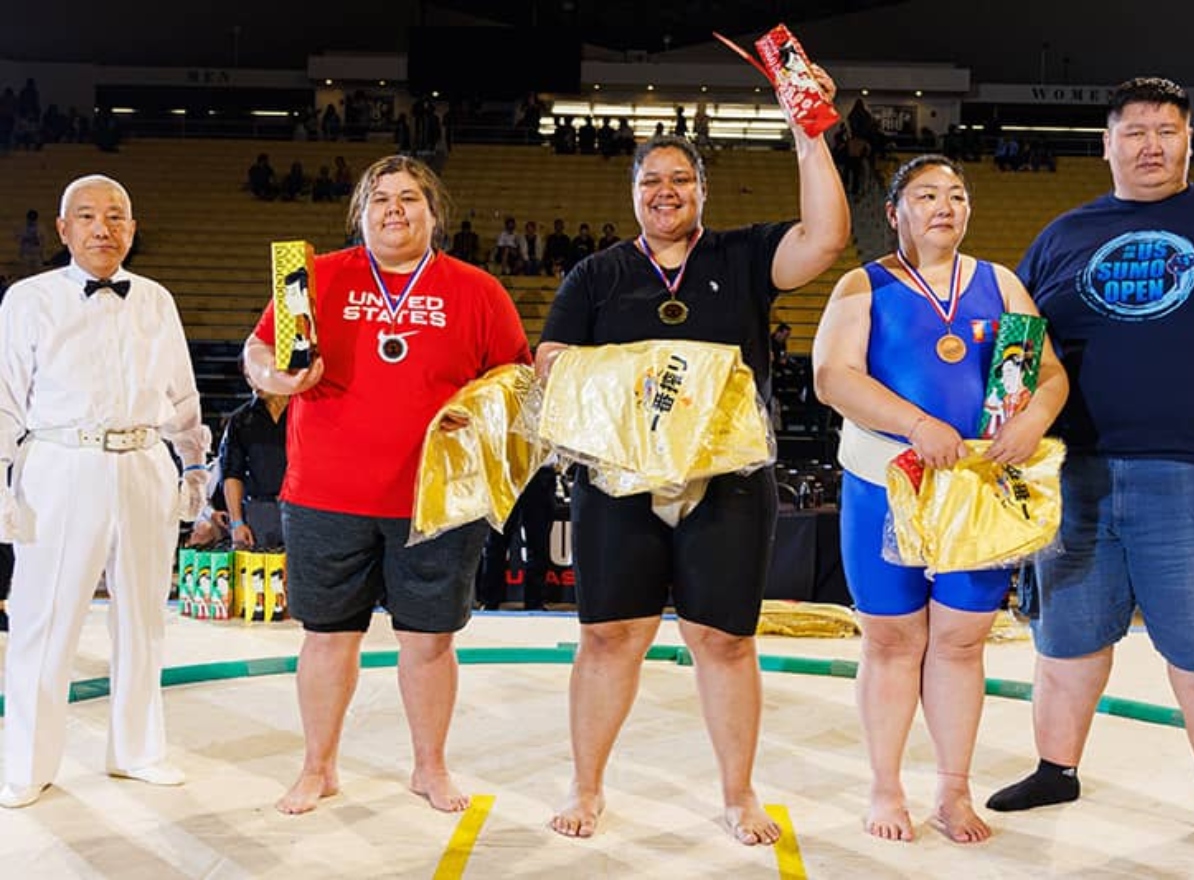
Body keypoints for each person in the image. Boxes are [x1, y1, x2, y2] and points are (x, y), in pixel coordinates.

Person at [984, 77, 1194, 856]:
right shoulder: (1062, 236)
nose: (1151, 145)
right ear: (1106, 144)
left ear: (1191, 142)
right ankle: (1055, 769)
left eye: (1168, 131)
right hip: (1078, 474)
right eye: (1134, 131)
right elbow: (1016, 355)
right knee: (1065, 641)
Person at [536, 58, 850, 845]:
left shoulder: (741, 258)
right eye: (651, 182)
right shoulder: (598, 274)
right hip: (622, 480)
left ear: (702, 190)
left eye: (680, 179)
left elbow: (827, 238)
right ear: (633, 193)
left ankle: (739, 793)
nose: (665, 192)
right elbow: (551, 365)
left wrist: (808, 133)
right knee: (611, 636)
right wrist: (643, 382)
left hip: (729, 480)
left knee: (725, 638)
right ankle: (586, 784)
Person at [243, 154, 531, 815]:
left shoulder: (478, 290)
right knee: (326, 635)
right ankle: (318, 766)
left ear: (434, 213)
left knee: (429, 640)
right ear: (360, 214)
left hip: (435, 497)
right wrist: (270, 375)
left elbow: (518, 385)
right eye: (380, 199)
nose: (394, 209)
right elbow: (257, 349)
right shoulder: (310, 278)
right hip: (325, 492)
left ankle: (429, 767)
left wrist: (481, 410)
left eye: (409, 198)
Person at [812, 154, 1067, 844]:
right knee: (893, 640)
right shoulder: (863, 287)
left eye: (956, 195)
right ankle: (885, 787)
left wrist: (1033, 420)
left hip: (975, 490)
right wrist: (915, 423)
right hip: (885, 482)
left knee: (960, 641)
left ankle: (953, 792)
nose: (944, 206)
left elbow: (1044, 376)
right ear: (894, 213)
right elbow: (834, 377)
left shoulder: (1001, 283)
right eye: (926, 195)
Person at [0, 174, 211, 809]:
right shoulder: (27, 299)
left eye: (116, 216)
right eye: (87, 217)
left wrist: (194, 466)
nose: (102, 228)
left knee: (144, 618)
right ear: (63, 230)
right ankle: (27, 765)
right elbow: (6, 398)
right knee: (45, 618)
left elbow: (182, 392)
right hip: (62, 462)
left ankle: (138, 751)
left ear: (133, 228)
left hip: (145, 462)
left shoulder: (156, 299)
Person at [220, 356, 288, 549]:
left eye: (257, 375)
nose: (254, 383)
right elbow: (232, 474)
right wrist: (237, 522)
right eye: (248, 377)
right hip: (260, 511)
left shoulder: (306, 412)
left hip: (302, 509)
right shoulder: (240, 420)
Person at [476, 465, 557, 611]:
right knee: (496, 542)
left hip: (539, 470)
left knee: (539, 544)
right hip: (504, 469)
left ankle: (535, 602)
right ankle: (489, 601)